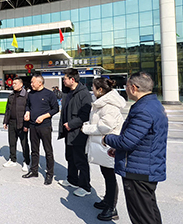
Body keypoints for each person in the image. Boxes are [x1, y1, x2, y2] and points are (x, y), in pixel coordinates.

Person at [103, 72, 168, 224]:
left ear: (133, 88)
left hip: (138, 171)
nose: (125, 89)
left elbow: (127, 142)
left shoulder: (143, 110)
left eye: (126, 86)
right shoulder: (153, 104)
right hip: (145, 166)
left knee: (141, 217)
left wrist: (107, 139)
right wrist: (118, 150)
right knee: (149, 212)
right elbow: (139, 138)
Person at [81, 77, 126, 221]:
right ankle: (107, 201)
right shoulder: (103, 103)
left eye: (93, 88)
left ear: (100, 90)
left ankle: (112, 208)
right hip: (103, 145)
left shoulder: (109, 106)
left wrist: (87, 128)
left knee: (110, 177)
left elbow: (105, 126)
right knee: (106, 175)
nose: (92, 90)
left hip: (108, 146)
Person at [58, 68, 92, 197]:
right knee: (70, 157)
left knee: (80, 160)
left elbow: (86, 114)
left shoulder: (84, 94)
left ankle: (85, 186)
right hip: (68, 131)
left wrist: (71, 124)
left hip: (78, 132)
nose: (63, 80)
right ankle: (72, 180)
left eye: (65, 78)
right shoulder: (69, 92)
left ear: (72, 80)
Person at [23, 73, 59, 185]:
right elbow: (28, 105)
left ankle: (49, 174)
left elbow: (55, 109)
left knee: (48, 151)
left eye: (33, 82)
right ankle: (34, 171)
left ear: (40, 82)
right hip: (33, 125)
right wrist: (27, 112)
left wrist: (44, 116)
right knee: (34, 150)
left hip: (45, 126)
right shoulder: (31, 94)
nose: (31, 84)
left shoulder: (49, 94)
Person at [2, 77, 30, 172]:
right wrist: (5, 121)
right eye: (13, 83)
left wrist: (27, 125)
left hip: (22, 123)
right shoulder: (11, 95)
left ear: (21, 85)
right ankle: (12, 159)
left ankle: (26, 162)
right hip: (12, 122)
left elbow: (29, 110)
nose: (13, 85)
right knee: (12, 142)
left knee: (24, 143)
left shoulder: (26, 95)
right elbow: (7, 110)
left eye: (15, 83)